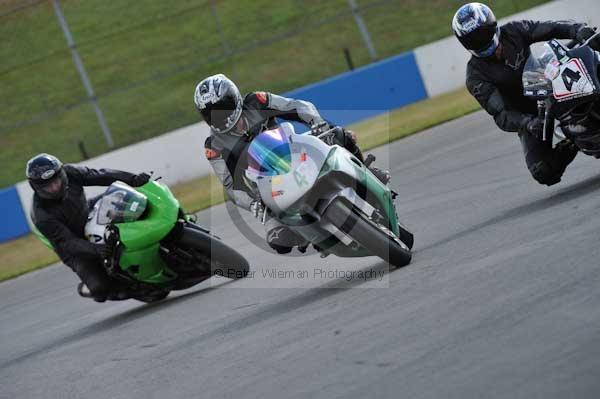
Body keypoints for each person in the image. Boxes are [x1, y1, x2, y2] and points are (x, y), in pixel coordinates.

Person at [194, 73, 390, 254]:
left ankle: (367, 172)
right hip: (266, 186)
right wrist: (253, 203)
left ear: (234, 98)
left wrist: (318, 123)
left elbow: (297, 107)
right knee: (279, 242)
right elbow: (231, 186)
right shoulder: (214, 146)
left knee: (341, 135)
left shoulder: (256, 101)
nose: (220, 116)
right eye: (210, 113)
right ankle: (307, 233)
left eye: (223, 107)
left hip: (295, 152)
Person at [452, 2, 600, 186]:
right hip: (531, 114)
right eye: (473, 39)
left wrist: (577, 30)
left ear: (492, 25)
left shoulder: (513, 31)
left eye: (482, 33)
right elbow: (501, 115)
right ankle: (572, 142)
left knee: (591, 50)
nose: (480, 41)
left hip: (549, 82)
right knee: (543, 171)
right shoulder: (475, 76)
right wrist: (527, 123)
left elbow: (550, 27)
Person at [27, 153, 151, 302]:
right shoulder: (42, 215)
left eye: (56, 181)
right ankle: (90, 287)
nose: (54, 187)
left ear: (62, 174)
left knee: (129, 201)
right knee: (100, 288)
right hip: (75, 248)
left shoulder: (71, 172)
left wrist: (132, 179)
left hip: (89, 212)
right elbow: (68, 243)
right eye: (48, 186)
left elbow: (100, 175)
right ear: (36, 187)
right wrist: (98, 250)